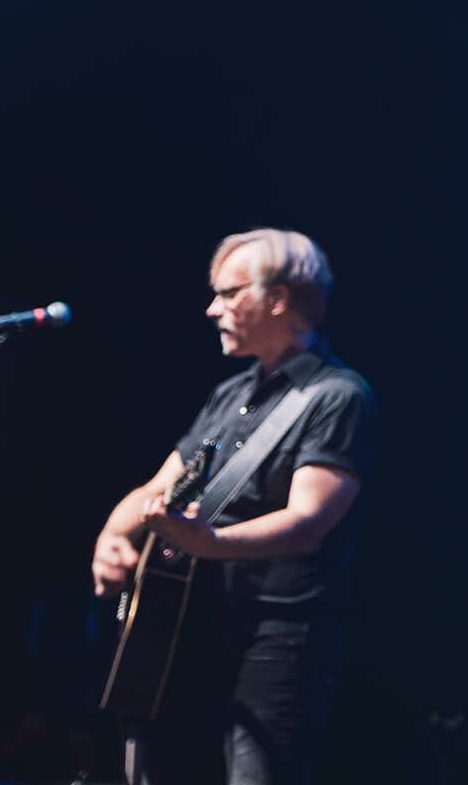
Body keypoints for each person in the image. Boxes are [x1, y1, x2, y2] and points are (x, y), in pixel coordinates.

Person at [91, 228, 375, 785]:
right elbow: (157, 488)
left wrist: (210, 543)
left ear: (279, 298)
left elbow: (308, 524)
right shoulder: (231, 394)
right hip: (197, 629)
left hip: (278, 639)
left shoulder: (339, 396)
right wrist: (111, 537)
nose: (211, 308)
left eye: (228, 293)